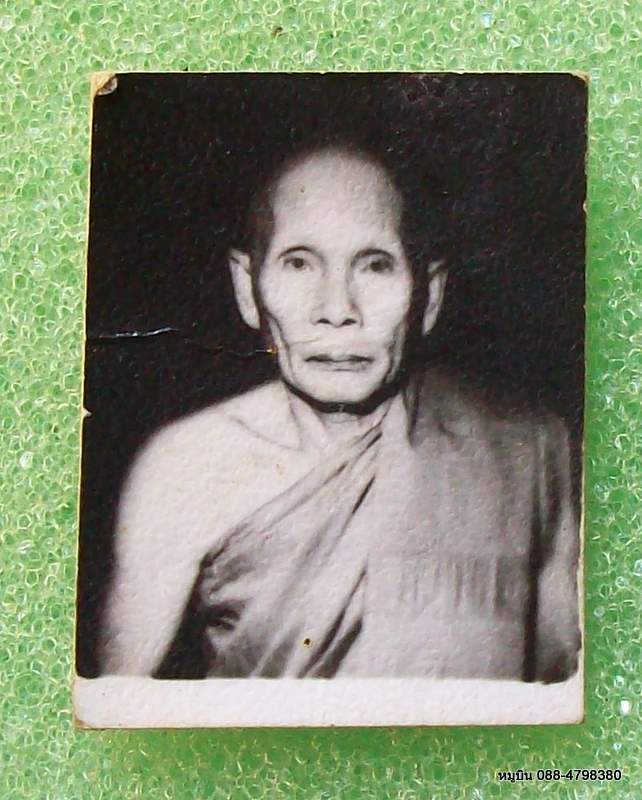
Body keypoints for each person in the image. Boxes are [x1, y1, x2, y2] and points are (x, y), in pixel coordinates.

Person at [100, 143, 581, 682]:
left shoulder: (524, 449)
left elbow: (562, 689)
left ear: (429, 296)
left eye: (375, 266)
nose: (337, 310)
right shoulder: (185, 466)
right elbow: (115, 711)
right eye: (299, 263)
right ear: (247, 288)